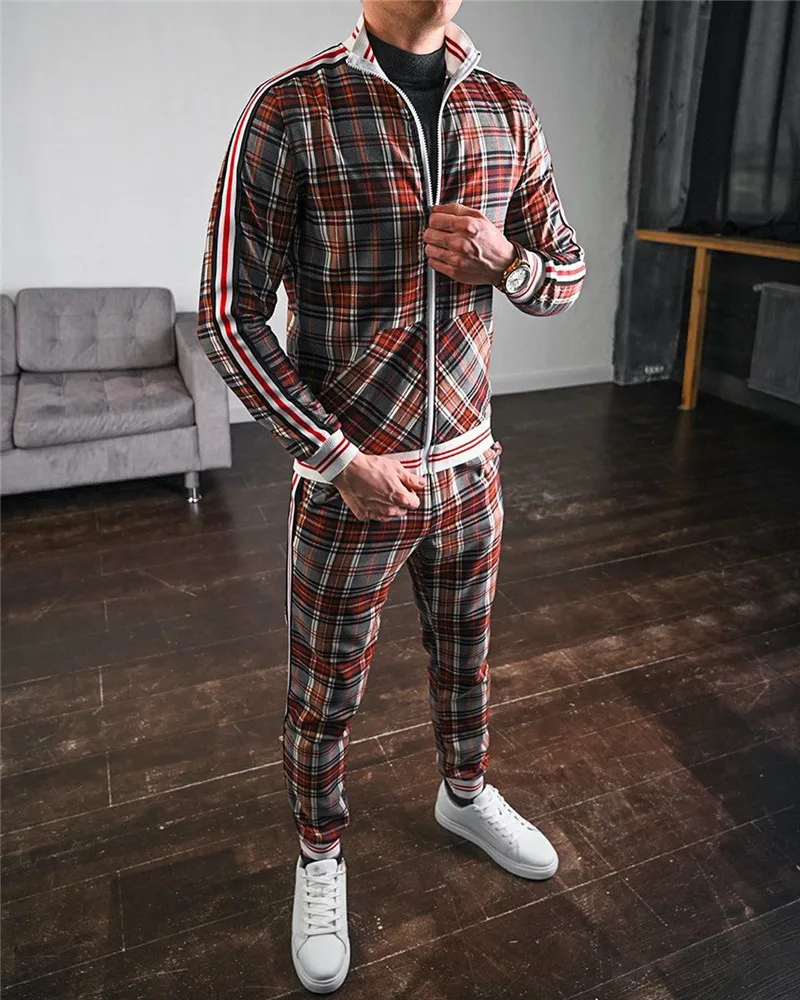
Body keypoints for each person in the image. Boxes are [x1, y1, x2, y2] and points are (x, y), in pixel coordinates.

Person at [197, 0, 585, 992]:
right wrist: (336, 459)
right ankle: (320, 850)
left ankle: (465, 792)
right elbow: (227, 316)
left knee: (466, 662)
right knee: (325, 695)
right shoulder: (291, 108)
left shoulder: (505, 109)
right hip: (349, 488)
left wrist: (507, 261)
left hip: (472, 471)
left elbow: (565, 275)